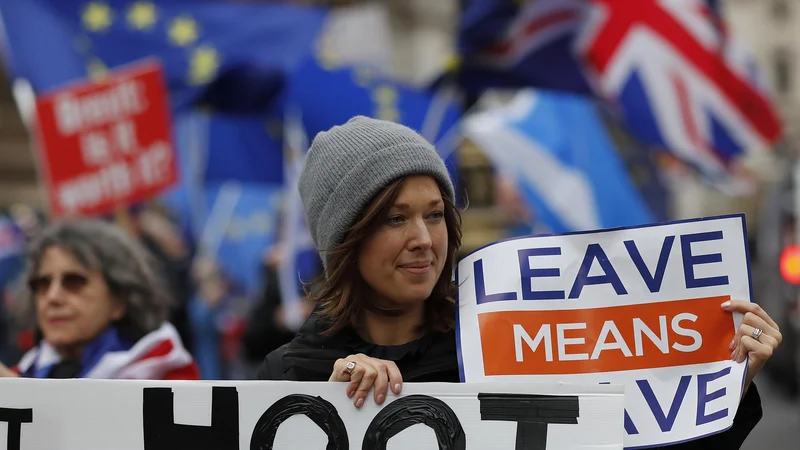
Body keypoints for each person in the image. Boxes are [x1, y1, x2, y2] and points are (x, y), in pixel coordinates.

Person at [258, 116, 780, 448]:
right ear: (344, 239)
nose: (423, 238)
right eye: (395, 219)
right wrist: (322, 416)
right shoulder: (288, 375)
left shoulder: (507, 346)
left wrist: (726, 386)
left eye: (436, 214)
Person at [0, 219, 200, 380]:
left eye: (74, 281)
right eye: (42, 283)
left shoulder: (169, 381)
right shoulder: (22, 375)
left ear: (119, 301)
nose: (52, 297)